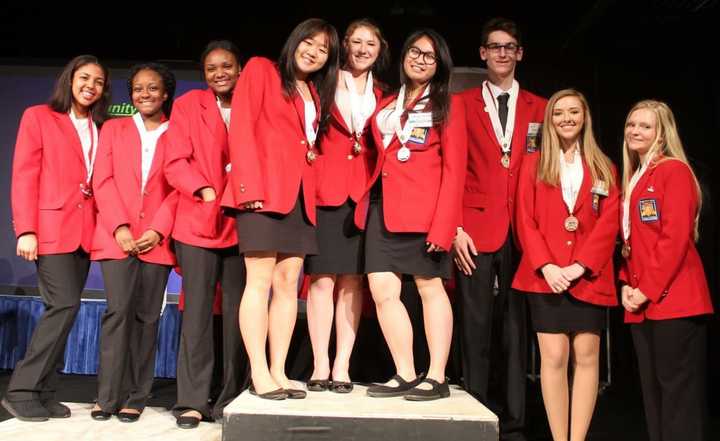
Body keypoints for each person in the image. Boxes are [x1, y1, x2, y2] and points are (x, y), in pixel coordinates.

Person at [221, 18, 340, 400]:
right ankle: (258, 372)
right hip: (262, 193)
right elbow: (241, 127)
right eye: (309, 42)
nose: (314, 52)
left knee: (289, 284)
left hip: (300, 199)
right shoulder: (260, 69)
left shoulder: (315, 92)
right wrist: (246, 187)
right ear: (294, 41)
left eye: (323, 50)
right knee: (258, 281)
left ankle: (279, 369)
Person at [354, 28, 467, 401]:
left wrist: (445, 224)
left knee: (430, 288)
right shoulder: (387, 102)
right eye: (415, 52)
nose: (420, 59)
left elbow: (455, 169)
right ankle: (404, 371)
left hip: (425, 213)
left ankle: (436, 376)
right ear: (403, 57)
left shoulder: (447, 104)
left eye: (430, 56)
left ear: (440, 65)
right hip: (381, 208)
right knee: (382, 289)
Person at [2, 55, 110, 421]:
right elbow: (24, 175)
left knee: (67, 310)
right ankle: (21, 389)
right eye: (84, 78)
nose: (90, 86)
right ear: (69, 80)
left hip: (83, 234)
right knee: (62, 305)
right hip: (49, 229)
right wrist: (27, 229)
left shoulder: (100, 126)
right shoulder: (39, 116)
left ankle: (45, 391)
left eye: (97, 81)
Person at [453, 17, 546, 440]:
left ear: (520, 53)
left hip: (523, 228)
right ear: (483, 54)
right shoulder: (462, 103)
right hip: (474, 227)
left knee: (515, 324)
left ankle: (513, 415)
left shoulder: (541, 108)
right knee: (474, 320)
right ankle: (474, 403)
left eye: (510, 46)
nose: (503, 53)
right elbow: (452, 169)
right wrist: (454, 225)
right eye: (495, 46)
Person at [513, 89, 618, 441]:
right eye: (559, 113)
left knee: (587, 356)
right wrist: (547, 266)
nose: (566, 118)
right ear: (550, 119)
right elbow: (524, 220)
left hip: (587, 277)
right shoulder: (534, 163)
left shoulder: (604, 166)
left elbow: (609, 224)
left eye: (574, 111)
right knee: (554, 356)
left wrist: (579, 267)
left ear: (585, 117)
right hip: (546, 277)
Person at [164, 40, 248, 428]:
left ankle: (231, 397)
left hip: (244, 223)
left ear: (240, 68)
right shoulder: (186, 105)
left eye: (227, 65)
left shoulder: (253, 102)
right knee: (197, 315)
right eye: (212, 67)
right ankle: (193, 401)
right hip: (198, 221)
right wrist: (204, 189)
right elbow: (175, 161)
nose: (219, 73)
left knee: (238, 317)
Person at [89, 62, 178, 423]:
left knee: (146, 318)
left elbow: (177, 188)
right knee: (117, 313)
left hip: (156, 240)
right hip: (117, 238)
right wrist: (120, 227)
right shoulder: (113, 128)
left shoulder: (178, 131)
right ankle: (106, 396)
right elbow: (103, 180)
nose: (145, 94)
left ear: (166, 93)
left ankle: (137, 396)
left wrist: (158, 229)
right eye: (138, 88)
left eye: (152, 88)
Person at [620, 100, 713, 441]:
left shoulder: (673, 171)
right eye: (631, 124)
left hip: (675, 300)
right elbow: (634, 243)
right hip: (644, 302)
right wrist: (626, 285)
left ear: (662, 132)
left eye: (645, 126)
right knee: (654, 394)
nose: (635, 131)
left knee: (678, 396)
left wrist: (646, 288)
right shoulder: (636, 176)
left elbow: (674, 238)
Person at [303, 18, 388, 394]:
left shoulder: (387, 93)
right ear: (345, 45)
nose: (364, 49)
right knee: (321, 281)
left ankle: (342, 366)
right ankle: (320, 363)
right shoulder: (323, 81)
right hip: (325, 190)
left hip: (364, 194)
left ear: (380, 49)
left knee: (353, 283)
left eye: (371, 43)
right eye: (356, 41)